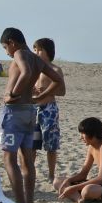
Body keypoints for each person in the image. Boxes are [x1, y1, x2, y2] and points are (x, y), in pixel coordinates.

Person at [0, 26, 65, 203]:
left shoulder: (20, 53)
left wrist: (12, 94)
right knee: (27, 160)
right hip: (29, 111)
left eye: (5, 47)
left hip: (14, 112)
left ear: (12, 42)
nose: (7, 52)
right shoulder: (37, 59)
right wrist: (38, 98)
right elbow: (58, 81)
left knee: (9, 159)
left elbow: (26, 72)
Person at [55, 118, 102, 203]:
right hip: (101, 185)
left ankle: (78, 196)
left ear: (93, 134)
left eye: (83, 134)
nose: (81, 137)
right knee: (58, 181)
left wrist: (73, 188)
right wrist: (68, 180)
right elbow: (83, 174)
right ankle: (79, 200)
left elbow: (101, 179)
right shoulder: (91, 147)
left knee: (87, 190)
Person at [31, 38, 65, 184]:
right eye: (35, 49)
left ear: (48, 52)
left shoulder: (55, 70)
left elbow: (62, 91)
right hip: (33, 108)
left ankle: (51, 174)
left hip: (49, 109)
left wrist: (47, 91)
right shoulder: (32, 69)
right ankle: (30, 171)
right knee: (32, 143)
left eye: (39, 49)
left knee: (51, 144)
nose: (36, 52)